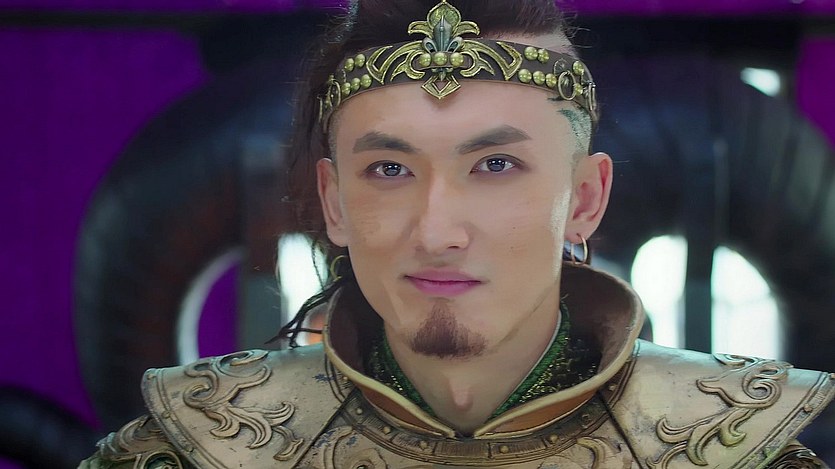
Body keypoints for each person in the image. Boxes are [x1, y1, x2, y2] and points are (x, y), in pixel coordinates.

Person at [80, 0, 833, 467]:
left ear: (584, 199)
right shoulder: (195, 447)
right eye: (389, 169)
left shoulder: (739, 451)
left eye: (495, 164)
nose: (436, 231)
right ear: (332, 201)